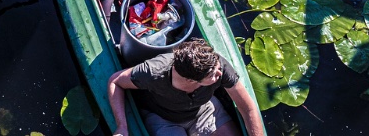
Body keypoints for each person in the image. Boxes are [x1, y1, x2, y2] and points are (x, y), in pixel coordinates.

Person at [106, 38, 264, 136]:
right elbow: (116, 81)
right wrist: (122, 127)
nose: (219, 74)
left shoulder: (218, 65)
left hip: (203, 111)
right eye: (212, 76)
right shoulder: (153, 72)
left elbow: (247, 107)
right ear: (191, 80)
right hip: (163, 118)